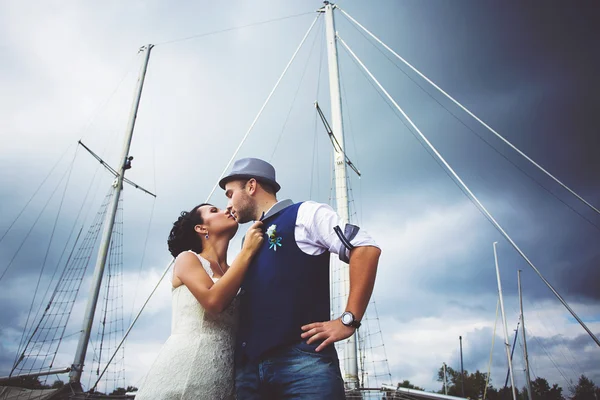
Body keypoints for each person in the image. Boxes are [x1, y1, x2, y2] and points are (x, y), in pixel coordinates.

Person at [220, 157, 381, 399]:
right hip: (250, 373)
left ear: (251, 186)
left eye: (230, 194)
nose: (228, 204)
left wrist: (348, 320)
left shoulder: (305, 213)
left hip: (303, 365)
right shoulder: (248, 240)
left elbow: (364, 247)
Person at [134, 203, 264, 400]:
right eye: (214, 210)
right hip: (183, 370)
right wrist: (247, 252)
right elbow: (214, 302)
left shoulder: (236, 271)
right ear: (201, 228)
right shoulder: (187, 259)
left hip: (225, 378)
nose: (227, 209)